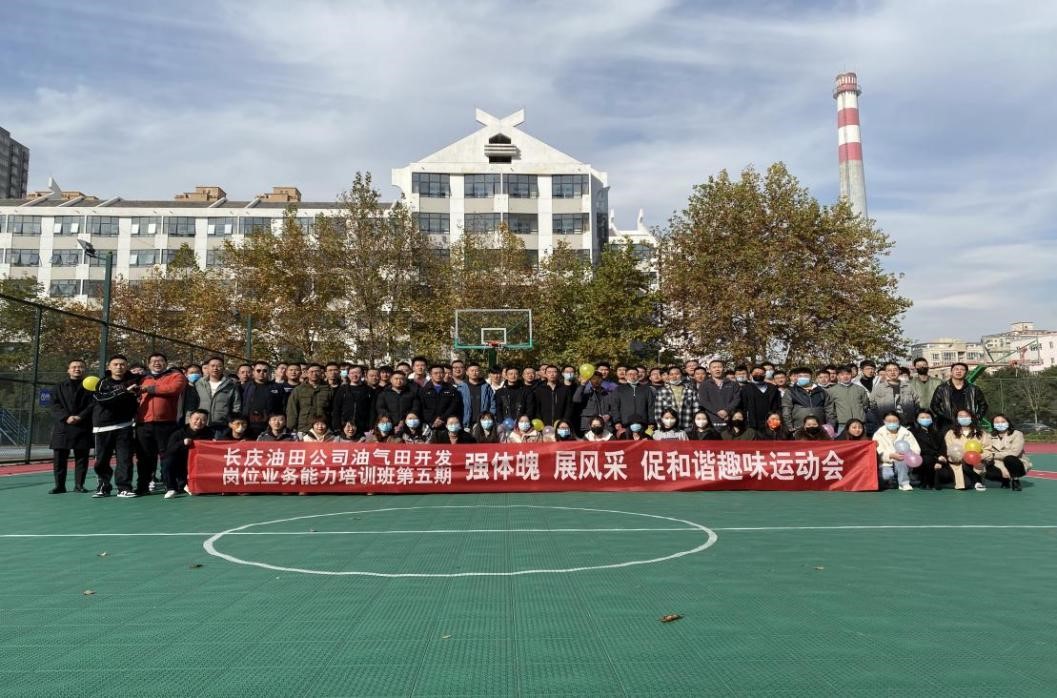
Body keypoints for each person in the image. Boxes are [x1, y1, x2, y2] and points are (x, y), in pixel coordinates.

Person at [91, 354, 141, 498]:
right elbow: (102, 399)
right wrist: (124, 391)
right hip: (103, 427)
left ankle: (124, 488)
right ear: (109, 367)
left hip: (124, 426)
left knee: (125, 459)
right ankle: (103, 487)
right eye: (116, 364)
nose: (119, 367)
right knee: (101, 461)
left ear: (126, 367)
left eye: (122, 364)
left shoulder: (134, 380)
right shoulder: (103, 382)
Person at [49, 359, 94, 494]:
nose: (77, 369)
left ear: (84, 370)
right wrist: (66, 417)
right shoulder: (58, 387)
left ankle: (79, 485)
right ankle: (59, 486)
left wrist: (80, 416)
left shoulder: (91, 386)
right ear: (68, 370)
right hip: (62, 427)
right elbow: (54, 405)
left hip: (83, 426)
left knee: (82, 458)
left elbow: (93, 405)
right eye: (74, 367)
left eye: (80, 367)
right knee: (59, 459)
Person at [160, 408, 212, 498]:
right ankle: (171, 488)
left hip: (200, 465)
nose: (199, 422)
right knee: (167, 461)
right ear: (190, 419)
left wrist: (214, 443)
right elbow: (168, 451)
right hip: (181, 465)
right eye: (197, 419)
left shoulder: (210, 433)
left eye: (203, 420)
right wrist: (182, 443)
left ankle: (188, 485)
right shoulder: (178, 433)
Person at [930, 362, 988, 434]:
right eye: (956, 369)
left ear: (966, 372)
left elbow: (983, 405)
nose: (959, 371)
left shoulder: (974, 389)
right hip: (949, 425)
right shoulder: (942, 388)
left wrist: (976, 418)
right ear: (951, 372)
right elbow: (934, 405)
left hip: (969, 424)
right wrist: (945, 418)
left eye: (962, 369)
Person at [942, 409, 990, 491]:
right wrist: (962, 456)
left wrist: (977, 456)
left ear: (972, 417)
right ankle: (974, 480)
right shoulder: (950, 433)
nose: (964, 418)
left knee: (971, 464)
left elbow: (988, 451)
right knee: (964, 485)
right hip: (957, 463)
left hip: (977, 463)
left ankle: (977, 479)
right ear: (956, 419)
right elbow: (948, 450)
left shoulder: (981, 433)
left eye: (966, 416)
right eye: (961, 416)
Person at [193, 356, 242, 435]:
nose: (215, 368)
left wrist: (233, 421)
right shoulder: (199, 384)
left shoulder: (231, 385)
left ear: (223, 368)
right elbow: (192, 404)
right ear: (207, 368)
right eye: (212, 366)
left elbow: (236, 405)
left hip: (222, 426)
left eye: (219, 366)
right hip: (201, 424)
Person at [872, 410, 920, 491]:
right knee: (885, 477)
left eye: (894, 421)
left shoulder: (906, 433)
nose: (892, 423)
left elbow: (916, 448)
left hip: (903, 462)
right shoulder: (878, 434)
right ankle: (895, 480)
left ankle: (904, 483)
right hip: (886, 464)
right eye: (889, 421)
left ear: (899, 421)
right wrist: (891, 455)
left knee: (902, 461)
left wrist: (907, 454)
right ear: (884, 421)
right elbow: (878, 451)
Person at [984, 414, 1031, 491]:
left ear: (1008, 422)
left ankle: (1015, 479)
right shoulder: (989, 436)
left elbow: (1014, 453)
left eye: (1003, 421)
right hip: (997, 463)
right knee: (984, 470)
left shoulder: (1017, 434)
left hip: (1016, 463)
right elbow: (988, 452)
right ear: (993, 424)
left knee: (1010, 458)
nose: (1000, 424)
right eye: (997, 422)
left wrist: (993, 455)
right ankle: (1005, 480)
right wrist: (1002, 469)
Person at [241, 361, 285, 437]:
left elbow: (283, 406)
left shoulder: (277, 387)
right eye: (258, 370)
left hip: (270, 427)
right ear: (253, 372)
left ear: (269, 373)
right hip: (248, 426)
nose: (261, 373)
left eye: (265, 371)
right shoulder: (244, 387)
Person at [286, 363, 333, 434]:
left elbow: (333, 410)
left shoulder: (328, 389)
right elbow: (292, 410)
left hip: (323, 428)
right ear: (307, 373)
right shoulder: (298, 390)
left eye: (317, 371)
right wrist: (291, 427)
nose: (314, 374)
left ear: (321, 373)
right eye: (311, 371)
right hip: (304, 428)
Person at [869, 361, 919, 427]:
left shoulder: (908, 387)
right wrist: (879, 419)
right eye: (889, 370)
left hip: (907, 423)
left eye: (895, 370)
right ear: (886, 372)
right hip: (886, 424)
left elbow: (917, 402)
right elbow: (872, 405)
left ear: (899, 371)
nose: (892, 372)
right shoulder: (878, 388)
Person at [608, 367, 654, 437]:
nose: (632, 376)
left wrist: (651, 422)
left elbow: (651, 406)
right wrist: (617, 421)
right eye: (630, 374)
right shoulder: (619, 389)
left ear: (638, 376)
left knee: (643, 443)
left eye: (635, 374)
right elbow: (615, 407)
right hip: (624, 425)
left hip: (643, 424)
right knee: (626, 443)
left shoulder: (646, 389)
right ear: (626, 376)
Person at [652, 366, 700, 434]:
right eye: (671, 374)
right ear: (668, 376)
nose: (674, 376)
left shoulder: (690, 390)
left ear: (682, 375)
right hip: (668, 427)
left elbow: (696, 409)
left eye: (677, 374)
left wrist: (695, 426)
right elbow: (658, 411)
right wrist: (660, 428)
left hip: (687, 425)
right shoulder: (662, 391)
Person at [697, 359, 741, 430]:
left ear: (724, 369)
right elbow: (704, 401)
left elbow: (737, 399)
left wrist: (726, 411)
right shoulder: (704, 385)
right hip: (711, 419)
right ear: (709, 370)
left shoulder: (733, 384)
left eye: (719, 367)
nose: (717, 369)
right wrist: (717, 411)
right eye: (714, 367)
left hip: (729, 418)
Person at [332, 365, 374, 436]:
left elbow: (372, 410)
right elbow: (336, 409)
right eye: (352, 373)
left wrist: (371, 426)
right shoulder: (342, 389)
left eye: (357, 373)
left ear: (362, 374)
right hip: (345, 426)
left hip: (363, 427)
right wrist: (337, 426)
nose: (355, 375)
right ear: (348, 375)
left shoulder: (369, 390)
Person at [418, 364, 463, 431]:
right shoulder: (424, 390)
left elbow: (454, 406)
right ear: (430, 375)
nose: (438, 375)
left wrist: (442, 419)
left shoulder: (452, 389)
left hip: (447, 424)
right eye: (435, 373)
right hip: (429, 424)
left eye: (441, 373)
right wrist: (433, 420)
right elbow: (422, 407)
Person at [828, 365, 870, 433]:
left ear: (851, 375)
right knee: (843, 440)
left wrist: (860, 414)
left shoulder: (860, 389)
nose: (845, 376)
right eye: (842, 375)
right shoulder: (831, 391)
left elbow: (865, 405)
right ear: (838, 376)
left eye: (848, 374)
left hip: (860, 423)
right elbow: (831, 409)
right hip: (843, 424)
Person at [738, 365, 781, 431]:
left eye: (761, 373)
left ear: (764, 375)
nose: (758, 374)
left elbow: (778, 405)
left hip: (770, 422)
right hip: (752, 423)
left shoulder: (773, 388)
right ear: (751, 374)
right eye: (756, 373)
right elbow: (742, 406)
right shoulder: (745, 389)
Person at [909, 410, 943, 490]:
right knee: (927, 459)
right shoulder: (912, 432)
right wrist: (936, 457)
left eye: (928, 417)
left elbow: (942, 446)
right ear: (917, 419)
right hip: (922, 458)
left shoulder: (936, 432)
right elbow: (921, 448)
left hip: (937, 458)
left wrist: (941, 458)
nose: (925, 419)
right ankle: (926, 482)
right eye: (922, 417)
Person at [457, 362, 496, 429]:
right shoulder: (461, 387)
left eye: (477, 371)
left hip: (484, 423)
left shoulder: (486, 387)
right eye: (472, 371)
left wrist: (490, 417)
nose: (474, 373)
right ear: (467, 372)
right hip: (466, 423)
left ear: (480, 372)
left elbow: (492, 404)